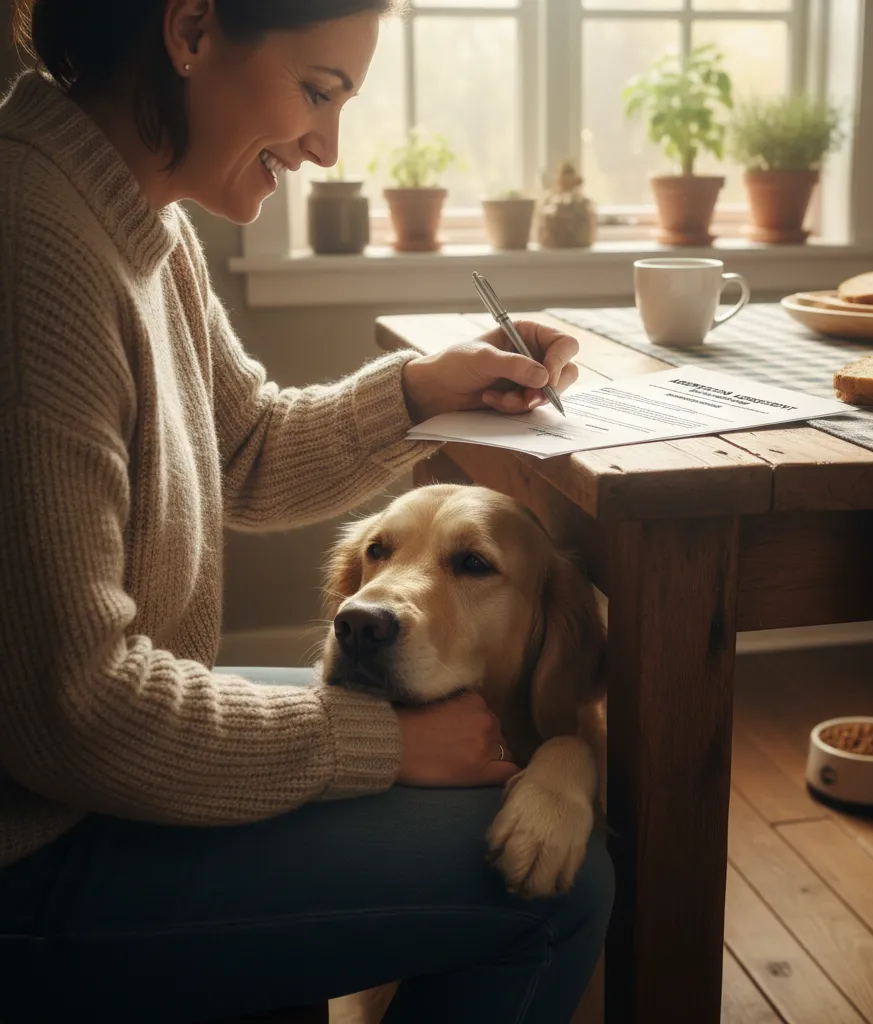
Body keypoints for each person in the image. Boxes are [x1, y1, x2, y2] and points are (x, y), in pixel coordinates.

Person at [0, 1, 613, 1021]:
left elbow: (243, 450)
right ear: (190, 30)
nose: (326, 146)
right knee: (562, 891)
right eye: (317, 91)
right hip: (33, 847)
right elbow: (77, 713)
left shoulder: (135, 214)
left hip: (74, 780)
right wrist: (373, 749)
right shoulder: (32, 243)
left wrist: (426, 389)